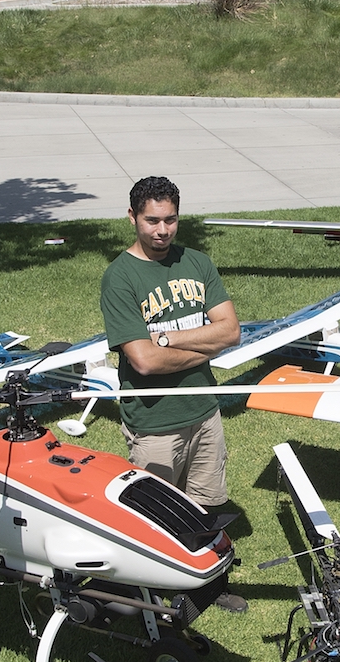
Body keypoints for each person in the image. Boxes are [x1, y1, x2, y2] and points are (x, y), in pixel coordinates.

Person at [100, 174, 243, 522]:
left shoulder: (197, 262)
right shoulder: (119, 277)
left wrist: (167, 339)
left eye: (170, 219)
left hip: (206, 413)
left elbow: (232, 332)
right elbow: (145, 362)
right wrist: (208, 344)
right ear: (132, 216)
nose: (162, 230)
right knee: (156, 522)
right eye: (152, 221)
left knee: (205, 512)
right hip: (155, 424)